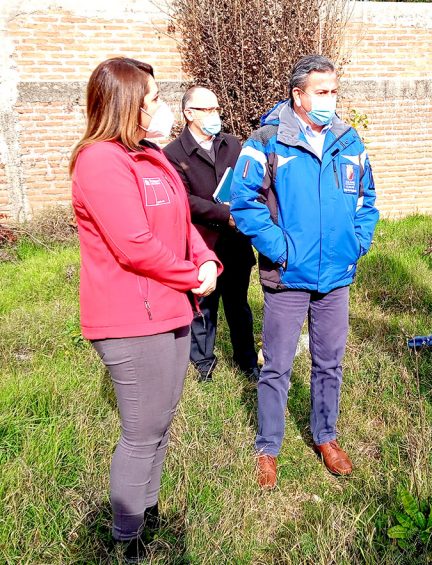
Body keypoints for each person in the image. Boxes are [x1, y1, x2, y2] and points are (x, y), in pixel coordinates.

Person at [70, 58, 221, 562]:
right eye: (153, 98)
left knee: (160, 422)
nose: (160, 107)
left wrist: (205, 259)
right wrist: (189, 276)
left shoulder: (151, 158)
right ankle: (126, 536)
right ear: (125, 103)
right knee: (141, 432)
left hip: (172, 310)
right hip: (130, 319)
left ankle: (147, 510)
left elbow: (182, 225)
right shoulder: (99, 161)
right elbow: (133, 244)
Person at [230, 55, 379, 489]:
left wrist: (357, 243)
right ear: (298, 95)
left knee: (329, 362)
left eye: (334, 92)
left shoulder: (348, 140)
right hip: (287, 275)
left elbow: (366, 200)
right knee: (277, 365)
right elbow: (245, 203)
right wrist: (280, 250)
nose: (330, 100)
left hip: (336, 275)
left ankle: (325, 436)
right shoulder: (267, 141)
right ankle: (268, 447)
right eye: (321, 92)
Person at [164, 86, 259, 381]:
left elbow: (246, 182)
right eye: (206, 110)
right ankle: (204, 365)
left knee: (238, 306)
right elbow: (183, 200)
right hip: (201, 243)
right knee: (203, 308)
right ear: (188, 114)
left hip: (235, 242)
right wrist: (225, 215)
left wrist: (241, 210)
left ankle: (247, 362)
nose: (214, 115)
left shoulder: (231, 144)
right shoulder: (172, 154)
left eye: (216, 109)